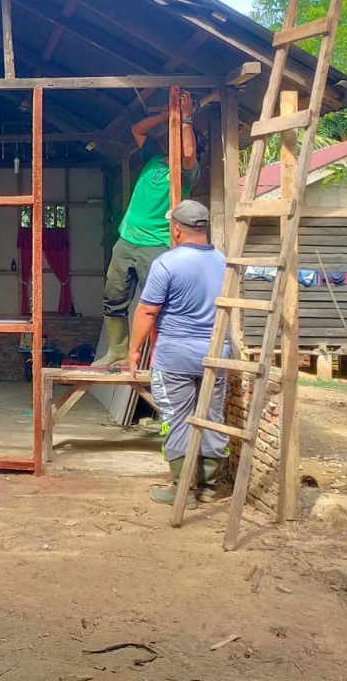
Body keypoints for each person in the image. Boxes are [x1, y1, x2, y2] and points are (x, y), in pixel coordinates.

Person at [126, 199, 229, 505]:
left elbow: (147, 311)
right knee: (211, 415)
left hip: (175, 357)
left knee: (176, 417)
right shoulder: (225, 262)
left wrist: (133, 351)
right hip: (216, 354)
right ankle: (209, 487)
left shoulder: (167, 263)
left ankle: (181, 488)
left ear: (177, 230)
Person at [94, 91, 199, 365]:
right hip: (126, 241)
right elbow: (137, 129)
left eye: (174, 136)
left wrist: (185, 117)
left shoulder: (185, 173)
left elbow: (188, 153)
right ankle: (117, 350)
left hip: (156, 245)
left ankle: (158, 358)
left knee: (155, 303)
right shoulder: (153, 158)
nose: (169, 141)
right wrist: (166, 114)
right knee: (113, 297)